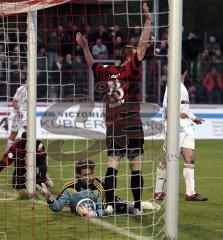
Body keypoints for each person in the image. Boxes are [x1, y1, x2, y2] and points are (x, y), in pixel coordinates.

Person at [76, 3, 151, 215]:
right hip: (132, 124)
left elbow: (91, 63)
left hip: (114, 125)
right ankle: (136, 207)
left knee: (112, 165)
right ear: (130, 56)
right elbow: (143, 45)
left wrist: (84, 47)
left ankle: (108, 205)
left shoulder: (107, 72)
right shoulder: (130, 70)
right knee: (135, 166)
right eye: (135, 52)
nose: (138, 53)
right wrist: (148, 21)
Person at [154, 61, 208, 201]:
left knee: (190, 158)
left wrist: (193, 117)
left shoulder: (182, 87)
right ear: (186, 71)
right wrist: (177, 115)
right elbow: (166, 106)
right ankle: (158, 191)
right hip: (174, 126)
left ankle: (190, 193)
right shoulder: (172, 85)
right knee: (168, 158)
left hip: (186, 126)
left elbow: (184, 109)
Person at [37, 159, 159, 217]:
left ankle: (142, 205)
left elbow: (105, 209)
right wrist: (49, 198)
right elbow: (58, 207)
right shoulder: (69, 187)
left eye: (91, 174)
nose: (89, 177)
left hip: (109, 200)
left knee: (126, 208)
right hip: (87, 208)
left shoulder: (98, 186)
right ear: (78, 175)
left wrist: (94, 214)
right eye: (85, 175)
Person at [7, 79, 27, 147]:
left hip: (27, 113)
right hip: (19, 113)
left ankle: (28, 150)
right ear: (25, 81)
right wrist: (18, 111)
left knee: (30, 132)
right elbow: (14, 101)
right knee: (14, 133)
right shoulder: (21, 89)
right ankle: (9, 151)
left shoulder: (33, 89)